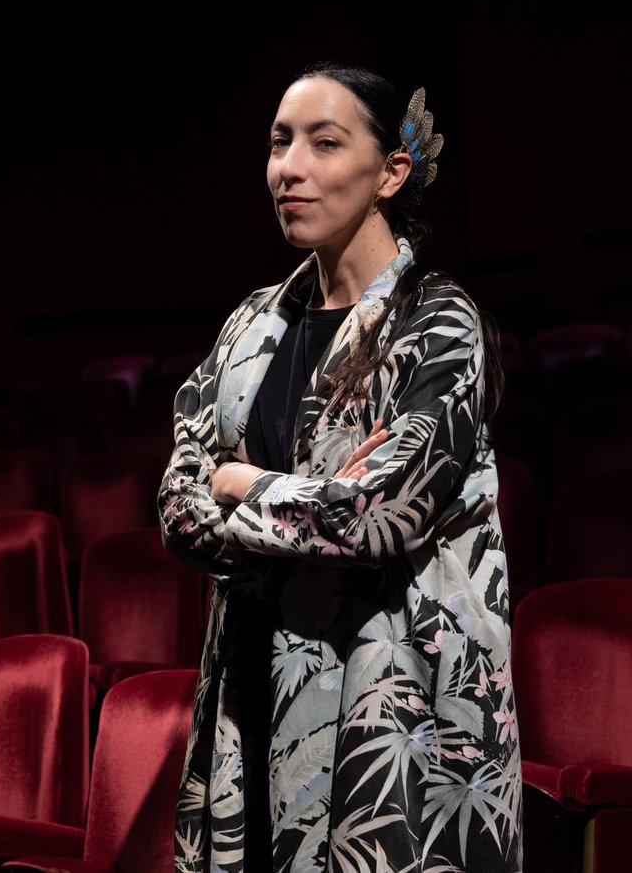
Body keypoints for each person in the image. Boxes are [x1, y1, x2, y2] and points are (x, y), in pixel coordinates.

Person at [158, 61, 521, 873]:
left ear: (391, 170)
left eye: (325, 143)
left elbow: (378, 517)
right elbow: (178, 506)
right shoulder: (251, 323)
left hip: (389, 694)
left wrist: (243, 482)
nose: (291, 168)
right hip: (255, 674)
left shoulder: (437, 324)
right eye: (280, 143)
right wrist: (306, 502)